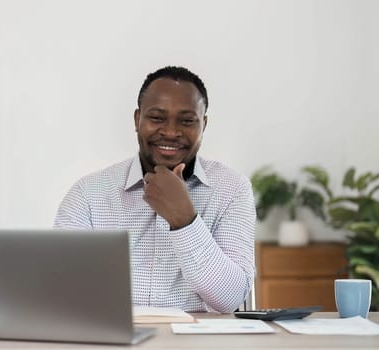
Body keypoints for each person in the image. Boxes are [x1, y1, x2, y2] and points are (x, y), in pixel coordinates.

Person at [54, 66, 256, 313]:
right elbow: (62, 290)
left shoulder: (232, 189)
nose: (171, 132)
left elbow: (230, 299)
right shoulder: (88, 194)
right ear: (137, 120)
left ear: (203, 124)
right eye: (157, 118)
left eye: (187, 120)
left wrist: (184, 220)